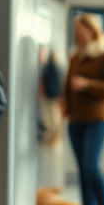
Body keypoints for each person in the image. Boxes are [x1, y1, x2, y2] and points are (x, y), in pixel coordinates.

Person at [64, 14, 104, 205]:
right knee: (81, 167)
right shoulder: (74, 56)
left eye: (79, 31)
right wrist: (65, 105)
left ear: (90, 31)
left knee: (91, 165)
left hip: (97, 119)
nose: (76, 35)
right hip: (75, 119)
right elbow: (67, 85)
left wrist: (88, 84)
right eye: (74, 31)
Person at [37, 45, 66, 187]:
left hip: (53, 97)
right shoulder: (52, 66)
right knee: (51, 120)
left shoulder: (53, 66)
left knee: (53, 120)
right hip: (52, 96)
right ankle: (51, 139)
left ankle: (52, 139)